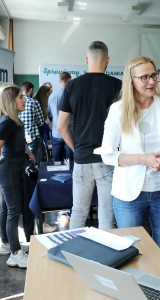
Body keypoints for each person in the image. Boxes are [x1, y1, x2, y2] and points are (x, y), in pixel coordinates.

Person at [97, 57, 160, 262]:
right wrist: (143, 159)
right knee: (131, 254)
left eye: (153, 75)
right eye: (144, 77)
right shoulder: (118, 110)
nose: (151, 81)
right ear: (131, 80)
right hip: (129, 195)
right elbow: (107, 154)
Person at [58, 41, 122, 230]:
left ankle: (74, 254)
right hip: (108, 158)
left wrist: (76, 148)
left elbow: (62, 126)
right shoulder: (118, 85)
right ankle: (106, 255)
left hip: (82, 158)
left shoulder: (72, 86)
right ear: (107, 60)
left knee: (78, 211)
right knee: (106, 212)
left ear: (87, 59)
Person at [0, 84, 36, 268]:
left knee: (7, 209)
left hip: (13, 168)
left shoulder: (14, 120)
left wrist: (29, 152)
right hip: (7, 171)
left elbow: (19, 141)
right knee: (14, 211)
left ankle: (7, 244)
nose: (24, 100)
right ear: (11, 101)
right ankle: (15, 253)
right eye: (21, 97)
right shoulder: (7, 121)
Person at [48, 72, 73, 161]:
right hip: (69, 133)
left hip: (56, 132)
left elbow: (49, 114)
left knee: (57, 161)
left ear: (59, 81)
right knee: (70, 161)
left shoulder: (52, 96)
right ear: (69, 81)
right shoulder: (72, 96)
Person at [19, 81, 45, 163]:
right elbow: (41, 121)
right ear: (30, 90)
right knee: (35, 160)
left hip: (20, 136)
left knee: (23, 161)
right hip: (33, 136)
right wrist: (36, 120)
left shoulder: (15, 102)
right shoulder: (34, 102)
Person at [33, 85, 51, 161]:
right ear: (45, 94)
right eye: (48, 93)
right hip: (38, 131)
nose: (49, 96)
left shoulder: (36, 100)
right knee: (40, 153)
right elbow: (40, 120)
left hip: (40, 129)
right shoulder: (37, 103)